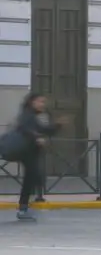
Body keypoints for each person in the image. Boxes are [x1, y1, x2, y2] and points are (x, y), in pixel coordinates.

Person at [10, 94, 55, 222]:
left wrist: (57, 125)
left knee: (33, 178)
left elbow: (43, 129)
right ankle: (23, 208)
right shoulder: (27, 114)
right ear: (32, 102)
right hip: (26, 151)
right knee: (32, 178)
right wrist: (37, 137)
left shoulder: (32, 116)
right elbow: (24, 129)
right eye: (40, 101)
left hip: (30, 152)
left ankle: (24, 207)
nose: (43, 104)